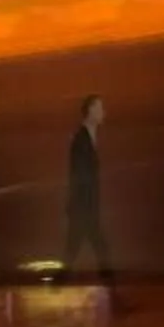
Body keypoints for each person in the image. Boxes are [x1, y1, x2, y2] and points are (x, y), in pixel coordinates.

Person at [65, 95, 112, 281]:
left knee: (72, 253)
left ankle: (55, 286)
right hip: (84, 209)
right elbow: (79, 177)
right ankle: (114, 297)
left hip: (84, 209)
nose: (104, 113)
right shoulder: (81, 139)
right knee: (101, 251)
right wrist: (83, 208)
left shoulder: (87, 138)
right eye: (100, 108)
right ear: (91, 111)